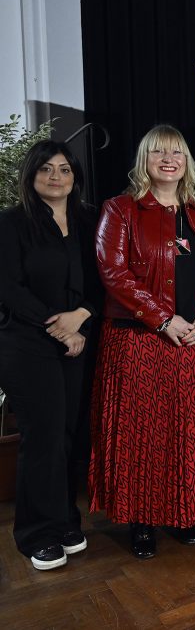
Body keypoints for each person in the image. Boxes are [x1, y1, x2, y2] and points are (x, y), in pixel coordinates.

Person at [89, 125, 195, 559]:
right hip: (139, 342)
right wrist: (161, 319)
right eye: (158, 152)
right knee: (144, 436)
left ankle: (188, 512)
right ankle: (143, 520)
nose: (168, 159)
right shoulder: (121, 209)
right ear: (144, 159)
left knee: (190, 432)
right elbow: (113, 273)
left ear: (187, 161)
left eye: (177, 152)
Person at [0, 141, 101, 571]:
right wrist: (57, 327)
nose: (55, 176)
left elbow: (104, 276)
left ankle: (63, 520)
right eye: (46, 169)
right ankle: (35, 533)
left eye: (64, 169)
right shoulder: (11, 223)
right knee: (41, 438)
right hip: (27, 343)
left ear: (75, 176)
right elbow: (8, 288)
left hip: (78, 337)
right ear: (31, 174)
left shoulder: (88, 219)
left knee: (66, 435)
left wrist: (80, 317)